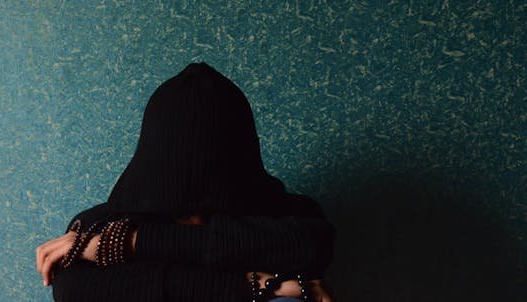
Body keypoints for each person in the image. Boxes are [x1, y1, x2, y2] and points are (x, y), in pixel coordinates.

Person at [35, 63, 336, 301]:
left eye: (214, 203)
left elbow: (313, 247)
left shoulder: (290, 218)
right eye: (180, 206)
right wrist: (254, 285)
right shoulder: (98, 224)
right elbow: (74, 290)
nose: (195, 216)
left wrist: (130, 242)